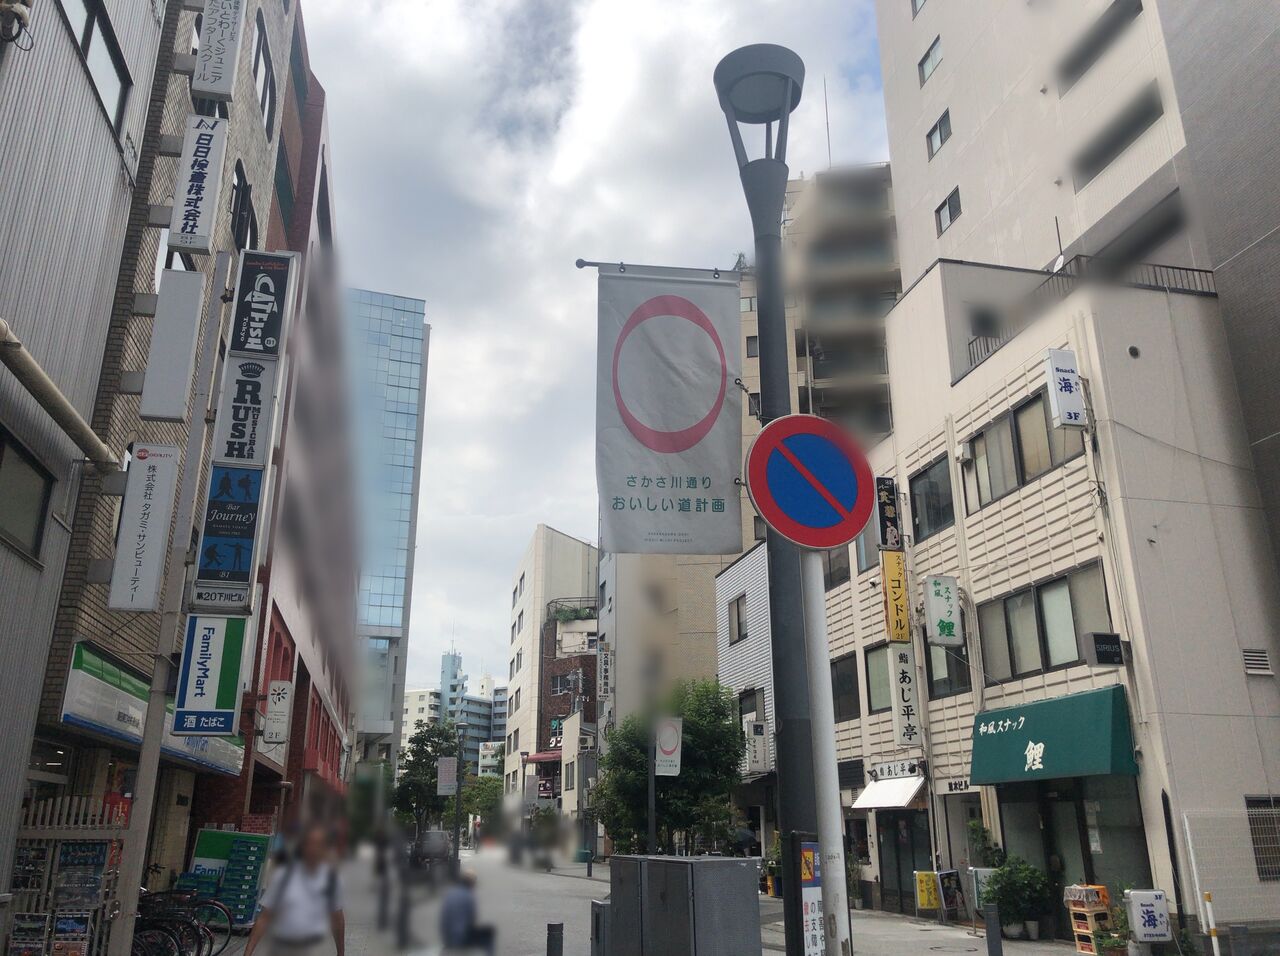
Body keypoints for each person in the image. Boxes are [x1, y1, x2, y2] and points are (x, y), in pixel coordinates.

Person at [244, 822, 345, 956]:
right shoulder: (283, 875)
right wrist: (247, 953)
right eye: (310, 843)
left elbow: (337, 919)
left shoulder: (331, 879)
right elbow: (265, 917)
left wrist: (341, 953)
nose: (314, 849)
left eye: (319, 844)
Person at [440, 871, 494, 955]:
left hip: (447, 938)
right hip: (460, 939)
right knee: (489, 932)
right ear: (471, 884)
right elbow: (471, 920)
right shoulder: (469, 896)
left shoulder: (450, 893)